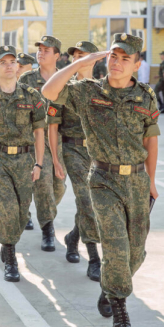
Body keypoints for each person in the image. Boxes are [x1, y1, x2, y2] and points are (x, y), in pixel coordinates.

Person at [43, 33, 160, 327]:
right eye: (113, 56)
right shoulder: (87, 91)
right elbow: (49, 91)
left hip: (137, 181)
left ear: (137, 64)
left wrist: (151, 180)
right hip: (103, 180)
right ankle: (121, 319)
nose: (117, 63)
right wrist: (79, 63)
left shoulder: (146, 96)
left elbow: (151, 139)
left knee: (136, 253)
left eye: (125, 58)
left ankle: (110, 287)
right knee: (117, 247)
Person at [0, 45, 46, 282]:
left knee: (23, 212)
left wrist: (39, 164)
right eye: (2, 62)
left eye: (12, 62)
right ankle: (11, 257)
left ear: (17, 66)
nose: (8, 66)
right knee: (7, 208)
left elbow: (39, 132)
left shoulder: (32, 95)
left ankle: (8, 244)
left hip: (24, 160)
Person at [46, 39, 103, 282]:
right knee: (86, 199)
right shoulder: (64, 88)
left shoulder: (103, 88)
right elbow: (52, 126)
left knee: (91, 202)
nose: (79, 60)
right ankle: (94, 258)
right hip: (73, 149)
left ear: (94, 60)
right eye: (75, 56)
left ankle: (73, 237)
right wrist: (56, 159)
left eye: (84, 56)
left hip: (97, 153)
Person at [18, 36, 67, 252]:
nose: (41, 53)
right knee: (44, 183)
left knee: (59, 186)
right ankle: (48, 228)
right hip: (35, 139)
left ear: (57, 55)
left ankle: (42, 208)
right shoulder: (27, 79)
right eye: (39, 49)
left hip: (61, 140)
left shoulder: (65, 78)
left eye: (47, 50)